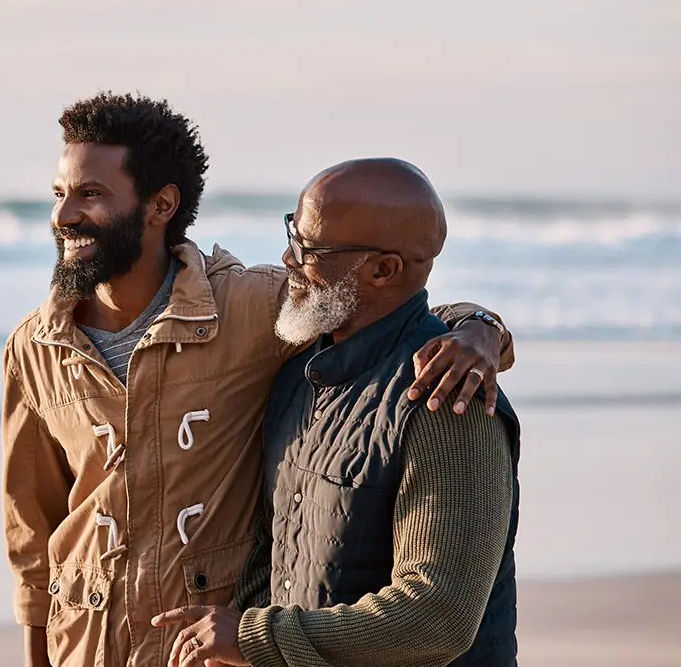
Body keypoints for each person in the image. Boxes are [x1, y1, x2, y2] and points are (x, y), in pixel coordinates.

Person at [2, 95, 513, 667]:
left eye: (91, 193)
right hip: (88, 645)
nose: (63, 214)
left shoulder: (252, 310)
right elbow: (31, 531)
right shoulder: (34, 347)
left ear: (161, 204)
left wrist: (480, 330)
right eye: (59, 193)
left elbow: (390, 314)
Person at [152, 158, 520, 667]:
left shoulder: (448, 399)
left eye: (309, 249)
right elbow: (275, 558)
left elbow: (439, 617)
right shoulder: (297, 375)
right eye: (291, 233)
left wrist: (254, 637)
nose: (287, 258)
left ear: (383, 269)